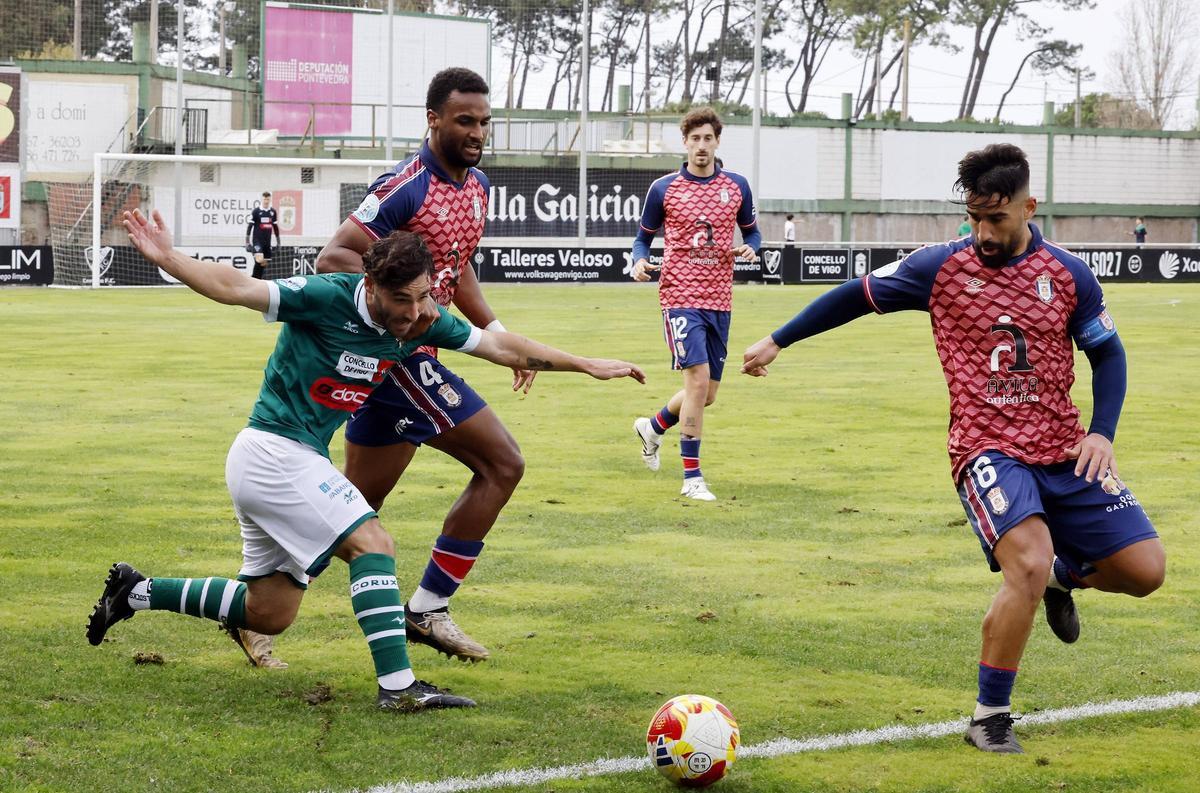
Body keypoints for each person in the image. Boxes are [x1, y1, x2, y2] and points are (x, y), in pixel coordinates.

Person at [87, 209, 644, 711]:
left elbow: (501, 346)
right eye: (401, 300)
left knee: (269, 612)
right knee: (373, 544)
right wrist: (169, 258)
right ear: (370, 285)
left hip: (285, 459)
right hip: (274, 452)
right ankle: (398, 688)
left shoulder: (423, 318)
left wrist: (584, 363)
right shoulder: (327, 296)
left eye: (422, 297)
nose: (414, 313)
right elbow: (237, 288)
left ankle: (135, 591)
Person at [741, 143, 1164, 753]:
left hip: (1064, 448)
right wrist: (779, 339)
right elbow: (855, 295)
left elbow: (1108, 353)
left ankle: (1064, 577)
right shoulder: (939, 267)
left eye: (996, 218)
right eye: (974, 217)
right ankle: (989, 718)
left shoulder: (1069, 274)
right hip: (986, 449)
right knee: (1026, 563)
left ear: (1029, 208)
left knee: (1146, 572)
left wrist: (1102, 432)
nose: (983, 232)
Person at [275, 67, 525, 667]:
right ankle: (429, 608)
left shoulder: (478, 186)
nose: (477, 132)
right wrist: (407, 312)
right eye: (464, 120)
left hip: (404, 362)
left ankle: (253, 606)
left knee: (351, 509)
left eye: (484, 122)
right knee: (502, 464)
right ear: (433, 119)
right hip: (399, 358)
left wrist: (494, 332)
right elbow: (334, 254)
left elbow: (457, 265)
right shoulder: (404, 187)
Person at [630, 107, 761, 501]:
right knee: (697, 382)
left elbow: (753, 234)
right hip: (679, 296)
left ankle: (652, 427)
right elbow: (642, 238)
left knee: (707, 394)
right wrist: (639, 260)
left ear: (717, 141)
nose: (701, 146)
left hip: (720, 299)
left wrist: (751, 249)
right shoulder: (664, 188)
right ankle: (692, 479)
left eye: (708, 138)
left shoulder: (737, 186)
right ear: (684, 142)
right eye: (695, 139)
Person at [246, 192, 281, 279]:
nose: (266, 201)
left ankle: (256, 279)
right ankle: (253, 279)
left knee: (263, 263)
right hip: (257, 241)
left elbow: (275, 227)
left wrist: (278, 242)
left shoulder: (273, 212)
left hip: (267, 242)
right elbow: (250, 226)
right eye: (265, 199)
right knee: (260, 258)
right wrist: (247, 242)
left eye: (268, 199)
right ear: (262, 199)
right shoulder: (256, 211)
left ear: (270, 200)